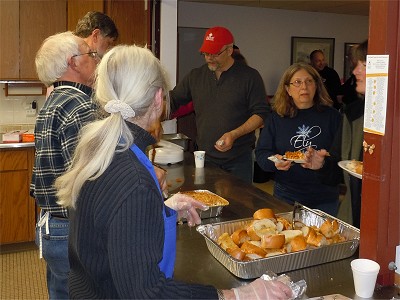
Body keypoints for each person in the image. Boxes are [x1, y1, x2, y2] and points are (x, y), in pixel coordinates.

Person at [54, 45, 293, 299]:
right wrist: (239, 295)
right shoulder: (134, 179)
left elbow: (109, 224)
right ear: (158, 98)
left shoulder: (100, 147)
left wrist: (161, 209)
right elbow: (147, 293)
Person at [30, 31, 100, 299]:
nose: (95, 60)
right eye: (90, 54)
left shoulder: (54, 101)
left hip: (51, 226)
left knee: (60, 291)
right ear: (74, 62)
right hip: (72, 229)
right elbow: (93, 177)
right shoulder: (80, 106)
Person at [170, 26, 270, 183]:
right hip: (206, 157)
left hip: (239, 159)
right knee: (206, 203)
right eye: (206, 53)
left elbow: (261, 114)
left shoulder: (250, 76)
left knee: (238, 204)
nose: (209, 58)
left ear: (229, 50)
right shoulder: (195, 76)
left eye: (215, 53)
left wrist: (234, 134)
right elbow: (173, 100)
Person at [255, 62, 342, 216]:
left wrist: (324, 162)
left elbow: (344, 160)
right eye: (297, 82)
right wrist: (274, 162)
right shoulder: (276, 118)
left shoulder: (333, 117)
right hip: (287, 195)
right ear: (287, 89)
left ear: (316, 86)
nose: (304, 87)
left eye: (309, 81)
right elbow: (262, 153)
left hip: (325, 197)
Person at [305, 40, 368, 227]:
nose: (355, 71)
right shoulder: (353, 115)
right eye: (356, 65)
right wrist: (321, 163)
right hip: (354, 218)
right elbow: (338, 168)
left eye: (364, 65)